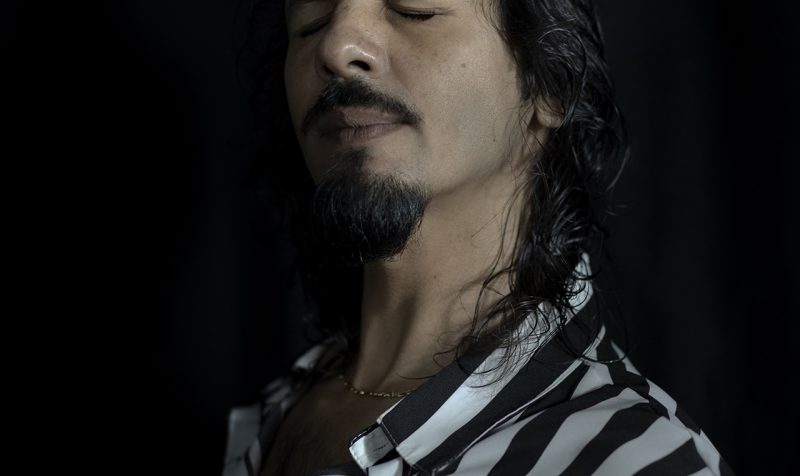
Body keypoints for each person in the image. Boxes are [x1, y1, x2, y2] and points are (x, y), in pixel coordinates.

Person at [223, 0, 732, 474]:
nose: (336, 46)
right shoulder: (275, 412)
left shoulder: (634, 458)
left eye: (413, 8)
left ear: (549, 84)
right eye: (311, 18)